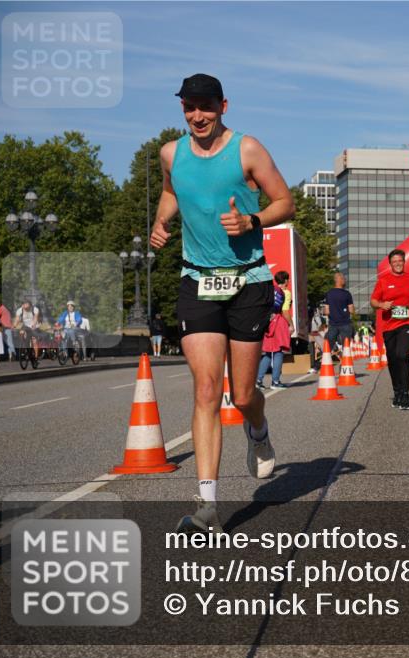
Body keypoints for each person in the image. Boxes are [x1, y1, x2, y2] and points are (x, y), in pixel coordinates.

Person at [151, 73, 295, 533]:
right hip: (197, 280)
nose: (197, 116)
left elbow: (285, 202)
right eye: (189, 107)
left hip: (247, 281)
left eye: (205, 107)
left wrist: (252, 219)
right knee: (207, 390)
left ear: (223, 106)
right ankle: (208, 506)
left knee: (243, 394)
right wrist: (161, 223)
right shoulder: (171, 154)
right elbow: (172, 192)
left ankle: (259, 431)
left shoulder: (247, 149)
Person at [370, 249, 409, 409]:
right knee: (393, 359)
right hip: (388, 325)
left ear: (404, 262)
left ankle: (406, 394)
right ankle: (397, 391)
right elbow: (373, 300)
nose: (398, 264)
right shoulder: (383, 281)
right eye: (395, 262)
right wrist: (381, 304)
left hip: (407, 322)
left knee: (402, 354)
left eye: (400, 261)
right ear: (390, 264)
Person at [258, 271, 293, 389]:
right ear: (286, 280)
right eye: (288, 279)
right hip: (279, 322)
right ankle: (275, 381)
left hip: (267, 323)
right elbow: (285, 311)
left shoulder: (270, 290)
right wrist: (291, 325)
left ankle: (258, 380)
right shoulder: (286, 293)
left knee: (268, 353)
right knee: (278, 352)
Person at [324, 272, 355, 354]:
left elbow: (326, 310)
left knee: (329, 345)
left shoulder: (329, 293)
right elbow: (351, 310)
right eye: (344, 279)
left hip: (333, 323)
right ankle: (345, 363)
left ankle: (323, 363)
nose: (345, 280)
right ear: (339, 280)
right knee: (346, 346)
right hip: (345, 323)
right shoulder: (347, 294)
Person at [308, 304, 326, 374]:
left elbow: (319, 325)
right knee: (315, 349)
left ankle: (314, 366)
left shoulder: (315, 316)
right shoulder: (316, 315)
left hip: (314, 333)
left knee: (322, 348)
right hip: (314, 333)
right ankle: (315, 366)